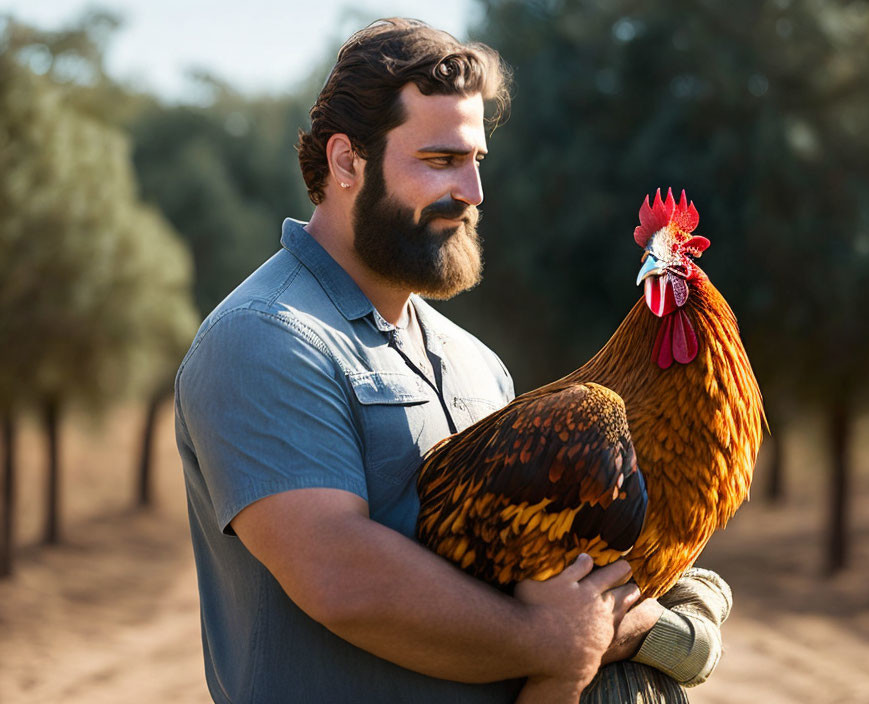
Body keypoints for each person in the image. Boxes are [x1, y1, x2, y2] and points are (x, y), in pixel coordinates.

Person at [175, 18, 731, 704]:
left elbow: (545, 569)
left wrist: (665, 614)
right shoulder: (265, 338)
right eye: (440, 161)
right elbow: (338, 576)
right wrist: (559, 642)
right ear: (347, 163)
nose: (473, 192)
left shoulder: (474, 363)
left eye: (477, 161)